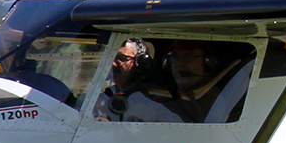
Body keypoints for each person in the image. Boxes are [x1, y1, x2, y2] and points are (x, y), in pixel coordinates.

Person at [122, 39, 252, 123]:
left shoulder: (215, 99)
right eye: (175, 57)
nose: (180, 64)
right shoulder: (157, 94)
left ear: (208, 62)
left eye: (189, 57)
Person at [93, 38, 152, 120]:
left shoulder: (150, 98)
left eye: (121, 58)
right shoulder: (107, 94)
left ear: (141, 62)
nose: (113, 64)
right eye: (111, 58)